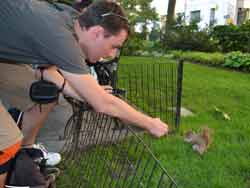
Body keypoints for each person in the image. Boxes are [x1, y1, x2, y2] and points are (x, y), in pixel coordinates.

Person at [0, 0, 168, 187]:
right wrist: (150, 123)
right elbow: (105, 104)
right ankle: (9, 158)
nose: (112, 54)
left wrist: (85, 93)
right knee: (6, 141)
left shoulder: (73, 21)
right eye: (114, 46)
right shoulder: (62, 40)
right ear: (96, 33)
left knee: (45, 95)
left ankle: (26, 152)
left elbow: (48, 72)